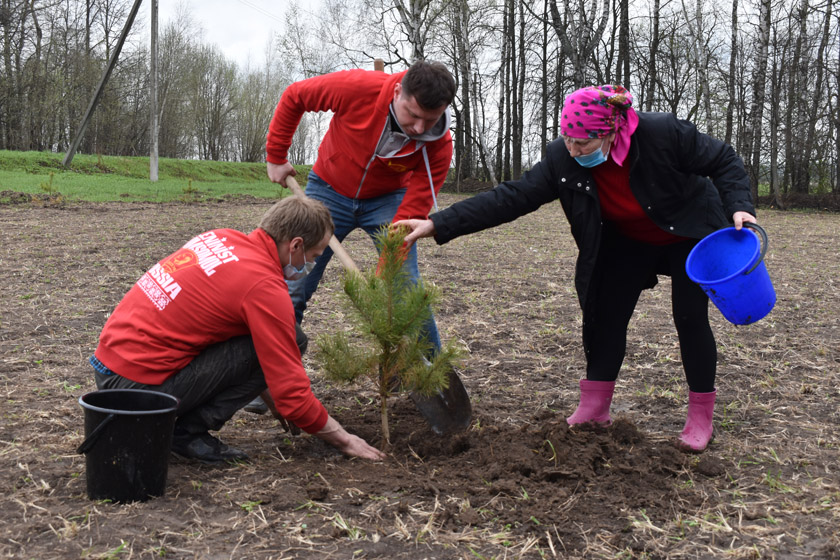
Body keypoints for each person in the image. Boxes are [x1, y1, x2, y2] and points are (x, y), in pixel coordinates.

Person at [395, 85, 757, 453]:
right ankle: (595, 407)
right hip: (627, 240)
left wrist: (740, 206)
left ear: (612, 131)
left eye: (583, 143)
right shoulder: (562, 158)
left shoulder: (662, 134)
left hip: (687, 232)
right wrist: (439, 223)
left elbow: (724, 159)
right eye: (567, 139)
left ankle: (700, 416)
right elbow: (512, 197)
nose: (572, 150)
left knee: (689, 317)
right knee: (604, 314)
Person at [89, 196, 386, 464]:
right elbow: (293, 395)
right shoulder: (263, 287)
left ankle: (180, 426)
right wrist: (345, 439)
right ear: (295, 245)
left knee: (266, 342)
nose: (311, 263)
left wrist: (264, 387)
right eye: (315, 256)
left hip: (110, 367)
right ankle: (185, 432)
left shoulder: (220, 238)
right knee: (293, 340)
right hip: (134, 395)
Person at [264, 59, 456, 351]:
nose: (419, 128)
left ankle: (429, 376)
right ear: (396, 93)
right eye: (413, 115)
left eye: (430, 120)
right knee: (294, 282)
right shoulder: (358, 88)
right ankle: (268, 371)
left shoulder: (439, 144)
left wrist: (384, 274)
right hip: (328, 188)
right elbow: (296, 95)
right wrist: (276, 155)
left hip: (387, 199)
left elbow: (412, 212)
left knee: (403, 285)